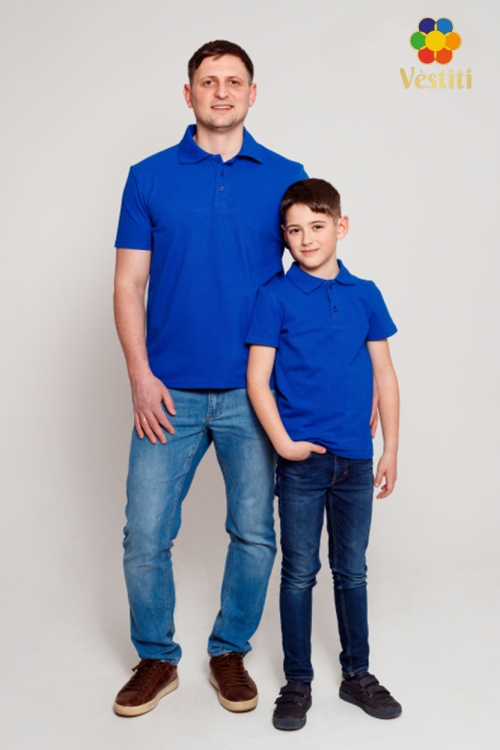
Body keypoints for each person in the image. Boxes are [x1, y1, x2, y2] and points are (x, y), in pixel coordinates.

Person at [112, 40, 308, 717]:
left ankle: (229, 651)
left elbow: (310, 283)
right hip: (166, 392)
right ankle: (156, 658)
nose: (221, 91)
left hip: (255, 394)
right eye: (208, 80)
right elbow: (129, 283)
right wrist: (140, 375)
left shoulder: (286, 177)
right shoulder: (148, 177)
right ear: (188, 93)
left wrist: (342, 376)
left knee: (255, 532)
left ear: (253, 94)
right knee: (145, 535)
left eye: (233, 81)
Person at [246, 178, 401, 730]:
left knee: (351, 571)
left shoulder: (366, 293)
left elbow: (385, 375)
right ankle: (297, 681)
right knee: (298, 573)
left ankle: (357, 674)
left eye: (317, 226)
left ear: (341, 226)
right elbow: (258, 380)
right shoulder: (274, 296)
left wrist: (391, 449)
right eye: (295, 230)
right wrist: (284, 444)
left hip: (356, 460)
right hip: (302, 463)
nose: (307, 239)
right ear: (283, 236)